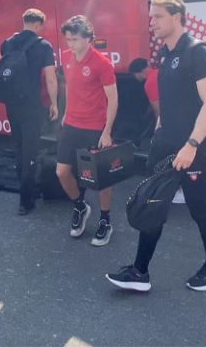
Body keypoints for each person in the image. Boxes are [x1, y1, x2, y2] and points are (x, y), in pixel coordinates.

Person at [106, 0, 206, 293]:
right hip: (166, 146)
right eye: (151, 17)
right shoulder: (166, 54)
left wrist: (192, 144)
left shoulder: (197, 52)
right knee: (152, 204)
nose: (152, 22)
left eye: (158, 16)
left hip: (191, 149)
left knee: (201, 209)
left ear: (177, 16)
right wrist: (159, 131)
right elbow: (170, 103)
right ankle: (139, 272)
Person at [56, 15, 118, 246]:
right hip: (71, 124)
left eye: (74, 39)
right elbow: (70, 86)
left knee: (100, 179)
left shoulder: (102, 63)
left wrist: (107, 131)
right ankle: (80, 206)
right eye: (68, 39)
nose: (70, 44)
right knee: (62, 172)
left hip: (95, 126)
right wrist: (65, 111)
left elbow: (113, 99)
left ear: (88, 39)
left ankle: (105, 220)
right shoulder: (65, 57)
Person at [0, 8, 58, 215]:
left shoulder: (6, 43)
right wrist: (54, 103)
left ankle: (26, 191)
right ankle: (26, 201)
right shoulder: (43, 46)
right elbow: (50, 78)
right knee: (31, 150)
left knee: (19, 148)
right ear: (38, 24)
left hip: (11, 104)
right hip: (32, 106)